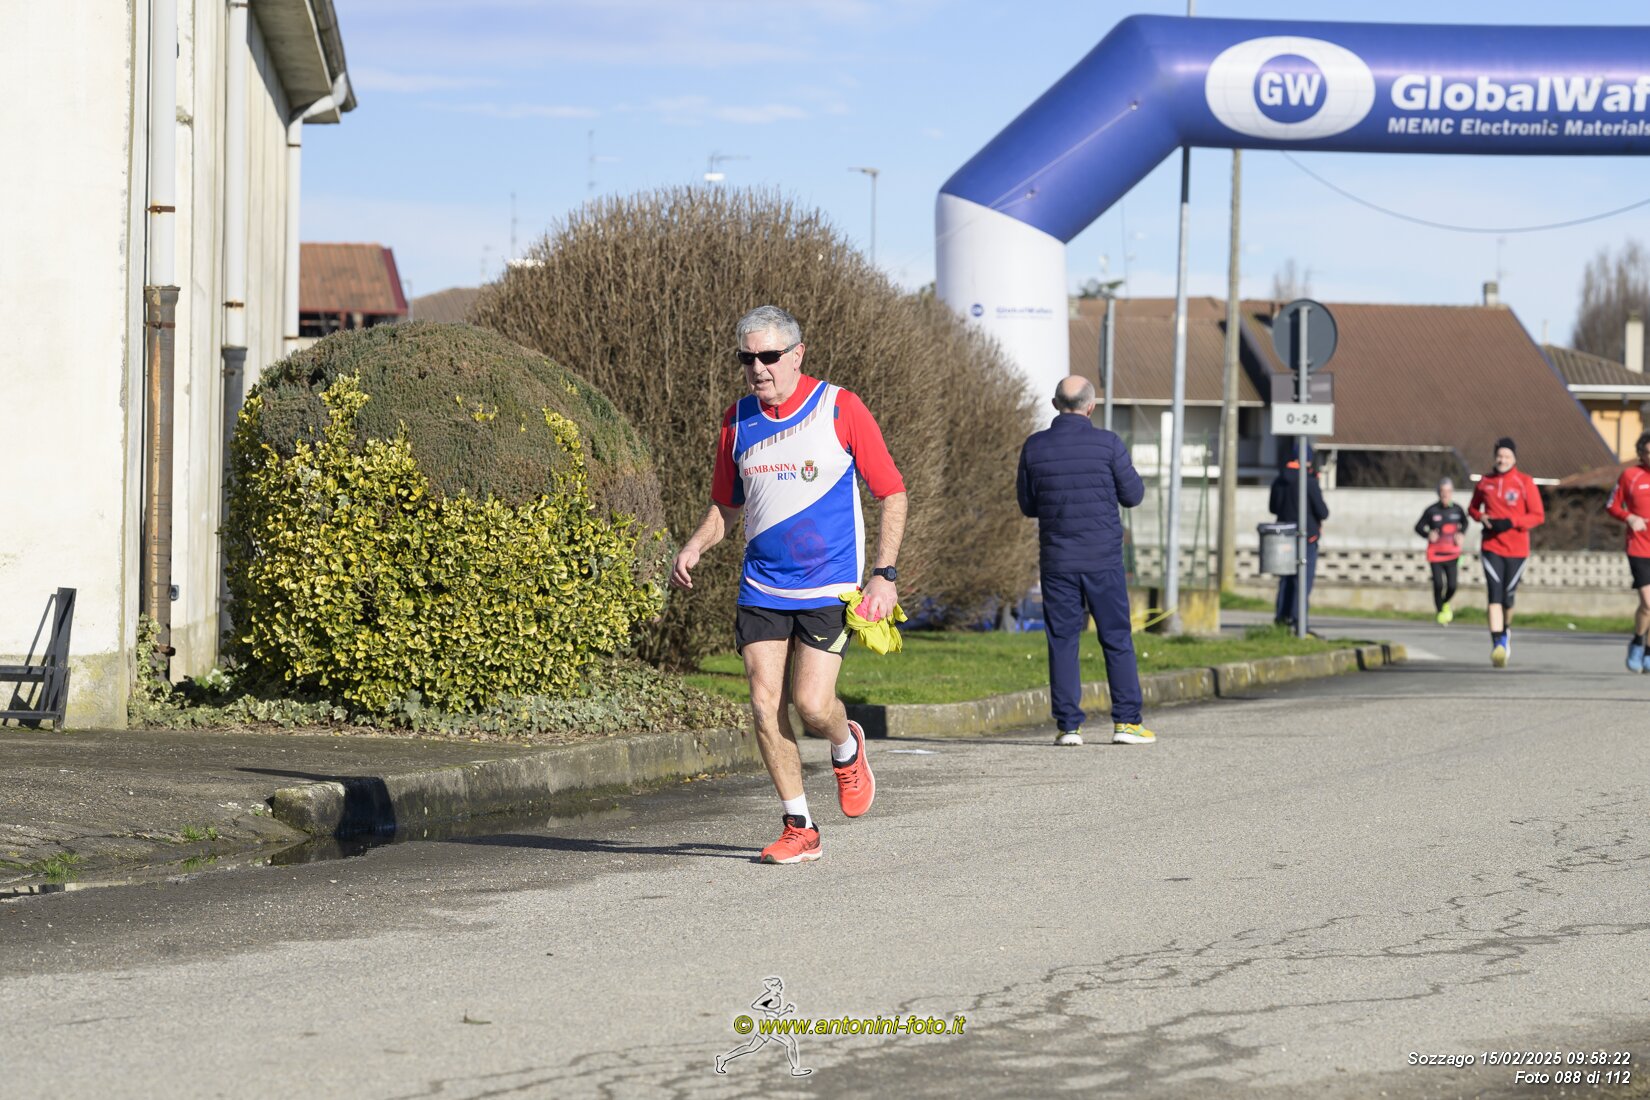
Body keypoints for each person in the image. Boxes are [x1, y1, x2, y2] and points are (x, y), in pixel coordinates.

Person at [670, 306, 907, 865]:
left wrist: (884, 575)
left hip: (829, 586)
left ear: (797, 355)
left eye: (769, 356)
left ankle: (846, 744)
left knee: (812, 704)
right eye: (747, 357)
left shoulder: (839, 407)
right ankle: (799, 825)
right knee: (763, 702)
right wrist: (697, 544)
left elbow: (892, 493)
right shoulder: (736, 420)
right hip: (762, 587)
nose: (758, 367)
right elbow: (726, 506)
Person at [1016, 376, 1153, 748]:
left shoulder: (1034, 446)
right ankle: (1127, 722)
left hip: (1057, 559)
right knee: (1116, 638)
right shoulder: (1108, 444)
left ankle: (1068, 727)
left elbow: (1028, 504)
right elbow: (1133, 495)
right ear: (1091, 406)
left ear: (1055, 404)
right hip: (1103, 559)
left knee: (1062, 640)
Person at [1467, 436, 1544, 668]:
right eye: (1500, 456)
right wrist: (1482, 517)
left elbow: (1538, 516)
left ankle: (1505, 630)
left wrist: (1512, 522)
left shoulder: (1524, 482)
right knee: (1494, 594)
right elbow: (1472, 508)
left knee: (1507, 597)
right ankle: (1498, 644)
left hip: (1517, 549)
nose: (1503, 460)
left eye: (1507, 456)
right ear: (1495, 457)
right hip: (1491, 547)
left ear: (1514, 458)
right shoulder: (1485, 482)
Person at [1268, 440, 1329, 633]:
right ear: (1307, 460)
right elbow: (1323, 512)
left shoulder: (1279, 481)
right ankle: (1298, 622)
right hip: (1307, 538)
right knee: (1302, 581)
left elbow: (1273, 508)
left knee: (1286, 579)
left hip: (1284, 538)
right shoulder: (1309, 482)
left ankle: (1281, 619)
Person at [1605, 430, 1650, 672]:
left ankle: (1648, 651)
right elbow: (1611, 505)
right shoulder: (1630, 476)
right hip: (1639, 546)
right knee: (1648, 602)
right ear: (1641, 454)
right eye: (1648, 453)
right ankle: (1637, 641)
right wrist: (1629, 517)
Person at [1414, 476, 1468, 625]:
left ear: (1452, 492)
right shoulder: (1431, 510)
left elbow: (1465, 523)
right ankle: (1440, 611)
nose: (1445, 494)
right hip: (1435, 555)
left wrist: (1461, 533)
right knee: (1438, 584)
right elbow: (1418, 527)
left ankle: (1444, 603)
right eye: (1443, 491)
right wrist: (1428, 534)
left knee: (1452, 586)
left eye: (1448, 491)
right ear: (1438, 492)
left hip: (1452, 554)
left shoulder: (1457, 509)